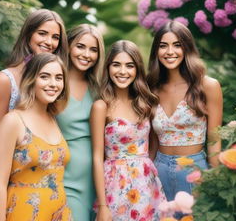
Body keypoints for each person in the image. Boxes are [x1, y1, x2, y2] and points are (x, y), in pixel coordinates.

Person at [147, 21, 222, 216]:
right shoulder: (151, 88)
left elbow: (214, 139)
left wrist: (216, 182)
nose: (169, 51)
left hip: (193, 171)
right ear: (156, 51)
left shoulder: (207, 86)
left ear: (187, 48)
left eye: (177, 45)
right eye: (163, 45)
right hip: (159, 170)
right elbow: (152, 140)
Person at [0, 53, 72, 221]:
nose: (53, 84)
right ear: (31, 79)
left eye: (59, 78)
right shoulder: (13, 121)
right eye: (44, 76)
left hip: (59, 214)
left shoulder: (53, 119)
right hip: (23, 213)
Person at [91, 40, 166, 221]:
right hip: (116, 185)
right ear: (108, 68)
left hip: (146, 184)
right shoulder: (101, 106)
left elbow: (153, 144)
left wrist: (145, 168)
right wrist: (102, 205)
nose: (123, 72)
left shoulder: (145, 104)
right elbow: (96, 156)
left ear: (137, 70)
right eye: (116, 65)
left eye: (129, 66)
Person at [0, 8, 68, 143]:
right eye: (42, 34)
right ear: (28, 34)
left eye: (55, 37)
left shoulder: (55, 83)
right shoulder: (4, 81)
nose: (49, 42)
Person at [56, 24, 105, 221]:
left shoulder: (100, 87)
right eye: (81, 46)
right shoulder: (54, 82)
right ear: (68, 46)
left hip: (99, 179)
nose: (86, 54)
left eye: (93, 50)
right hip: (64, 177)